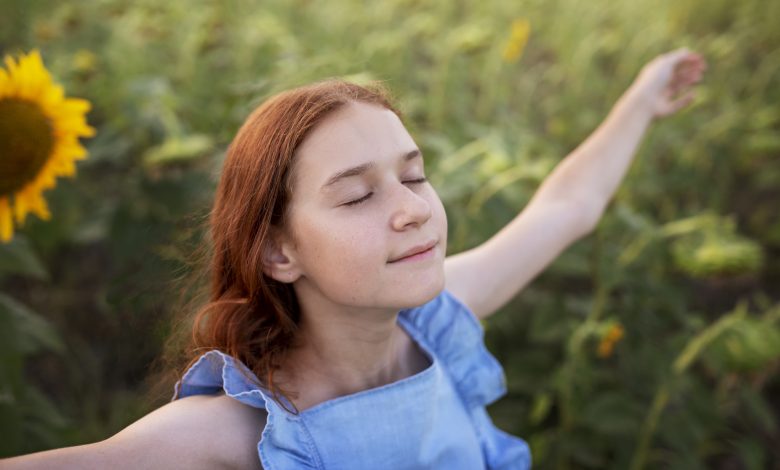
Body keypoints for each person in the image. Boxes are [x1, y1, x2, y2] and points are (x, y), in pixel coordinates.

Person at [2, 47, 706, 469]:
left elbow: (566, 209)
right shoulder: (245, 430)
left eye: (414, 173)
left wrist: (642, 100)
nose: (411, 207)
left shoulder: (433, 319)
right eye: (356, 196)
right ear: (279, 251)